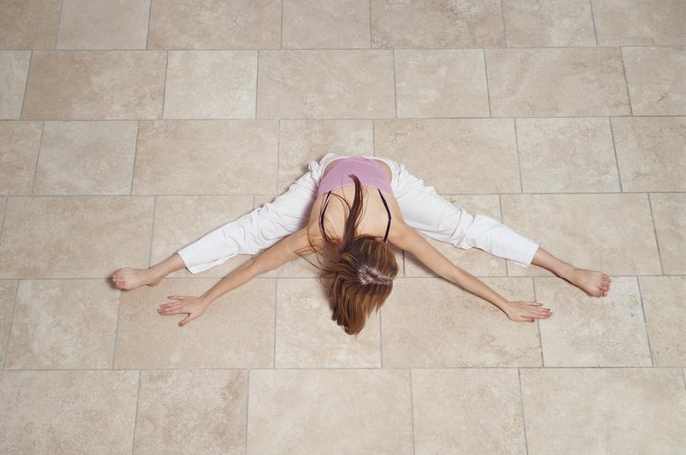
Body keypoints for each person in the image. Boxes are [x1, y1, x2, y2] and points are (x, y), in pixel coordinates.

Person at [112, 153, 611, 332]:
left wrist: (504, 303)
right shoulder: (316, 232)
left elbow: (452, 269)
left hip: (387, 175)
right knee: (254, 228)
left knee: (466, 228)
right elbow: (255, 265)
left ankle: (568, 268)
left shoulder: (397, 226)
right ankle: (156, 270)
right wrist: (204, 298)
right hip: (324, 177)